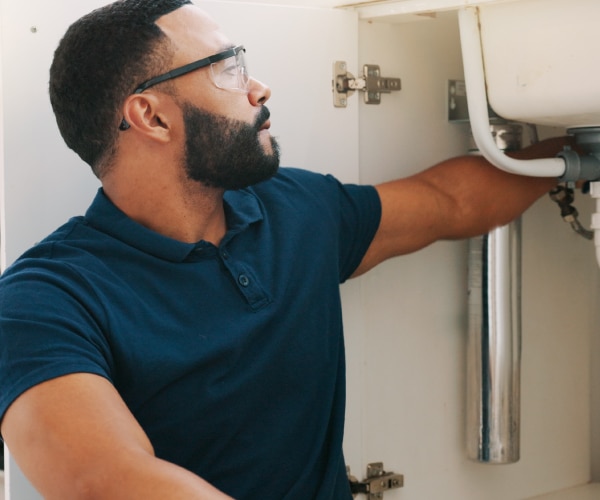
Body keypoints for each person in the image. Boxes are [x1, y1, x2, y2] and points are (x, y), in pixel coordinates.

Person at [0, 0, 572, 498]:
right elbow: (104, 481)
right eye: (227, 68)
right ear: (150, 116)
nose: (258, 87)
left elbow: (449, 201)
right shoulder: (43, 300)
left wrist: (578, 150)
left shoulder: (294, 209)